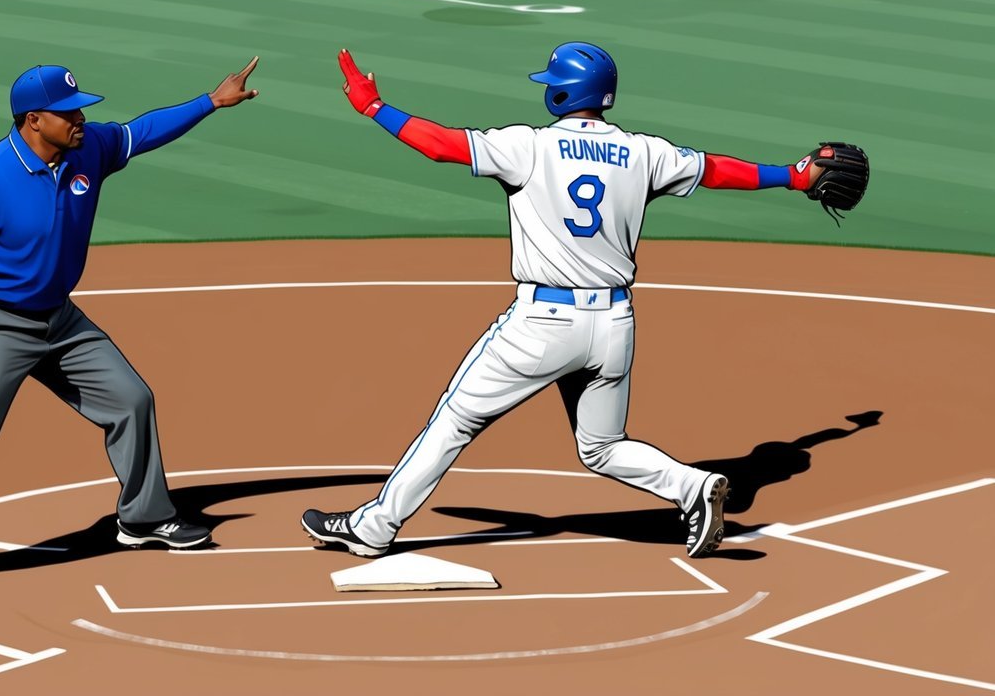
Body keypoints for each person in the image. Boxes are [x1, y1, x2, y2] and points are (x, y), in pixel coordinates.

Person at [301, 44, 868, 559]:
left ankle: (373, 528)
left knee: (454, 420)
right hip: (615, 325)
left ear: (563, 92)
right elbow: (720, 170)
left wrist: (374, 107)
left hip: (542, 325)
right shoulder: (644, 153)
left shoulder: (529, 146)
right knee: (602, 446)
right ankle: (692, 487)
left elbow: (441, 145)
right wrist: (793, 177)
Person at [0, 58, 260, 593]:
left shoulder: (87, 149)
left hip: (59, 320)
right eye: (67, 112)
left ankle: (142, 518)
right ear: (32, 121)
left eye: (80, 110)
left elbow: (141, 132)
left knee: (131, 400)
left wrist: (210, 102)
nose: (80, 119)